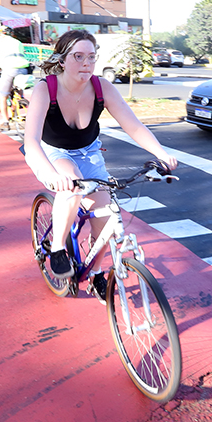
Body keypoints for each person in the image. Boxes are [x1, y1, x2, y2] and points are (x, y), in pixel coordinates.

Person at [23, 30, 178, 302]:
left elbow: (133, 126)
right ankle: (58, 249)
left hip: (89, 152)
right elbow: (32, 141)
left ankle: (95, 273)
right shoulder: (45, 89)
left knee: (106, 214)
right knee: (71, 188)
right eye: (78, 56)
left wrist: (161, 153)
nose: (86, 63)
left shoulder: (101, 87)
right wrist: (50, 174)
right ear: (62, 60)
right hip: (54, 152)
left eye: (91, 57)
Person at [0, 24, 30, 128]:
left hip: (9, 69)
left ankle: (6, 121)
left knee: (3, 96)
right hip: (24, 68)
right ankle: (20, 100)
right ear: (11, 33)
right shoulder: (17, 42)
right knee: (18, 90)